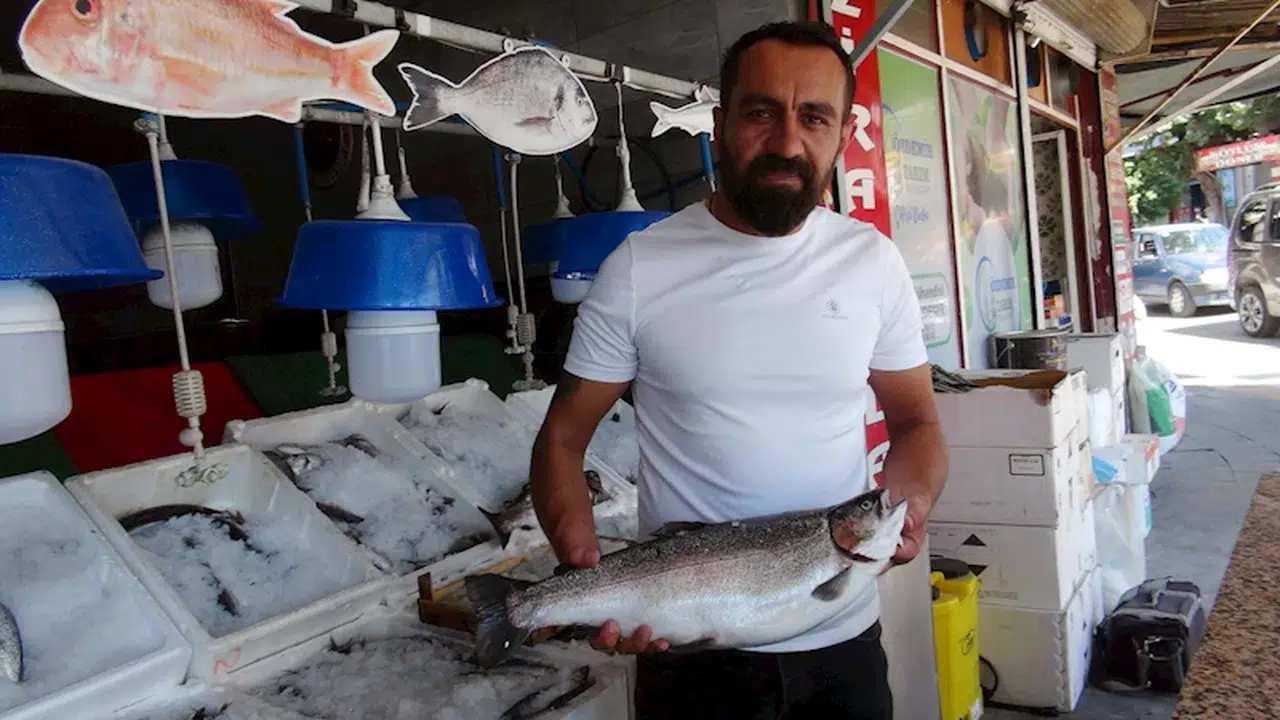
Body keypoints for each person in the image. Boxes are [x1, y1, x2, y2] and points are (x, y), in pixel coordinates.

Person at [528, 20, 949, 720]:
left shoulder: (871, 262)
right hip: (690, 655)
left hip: (841, 647)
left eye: (814, 118)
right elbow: (562, 440)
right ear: (720, 125)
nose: (787, 142)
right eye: (761, 113)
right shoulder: (638, 269)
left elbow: (916, 422)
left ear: (843, 136)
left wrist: (910, 506)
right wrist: (585, 578)